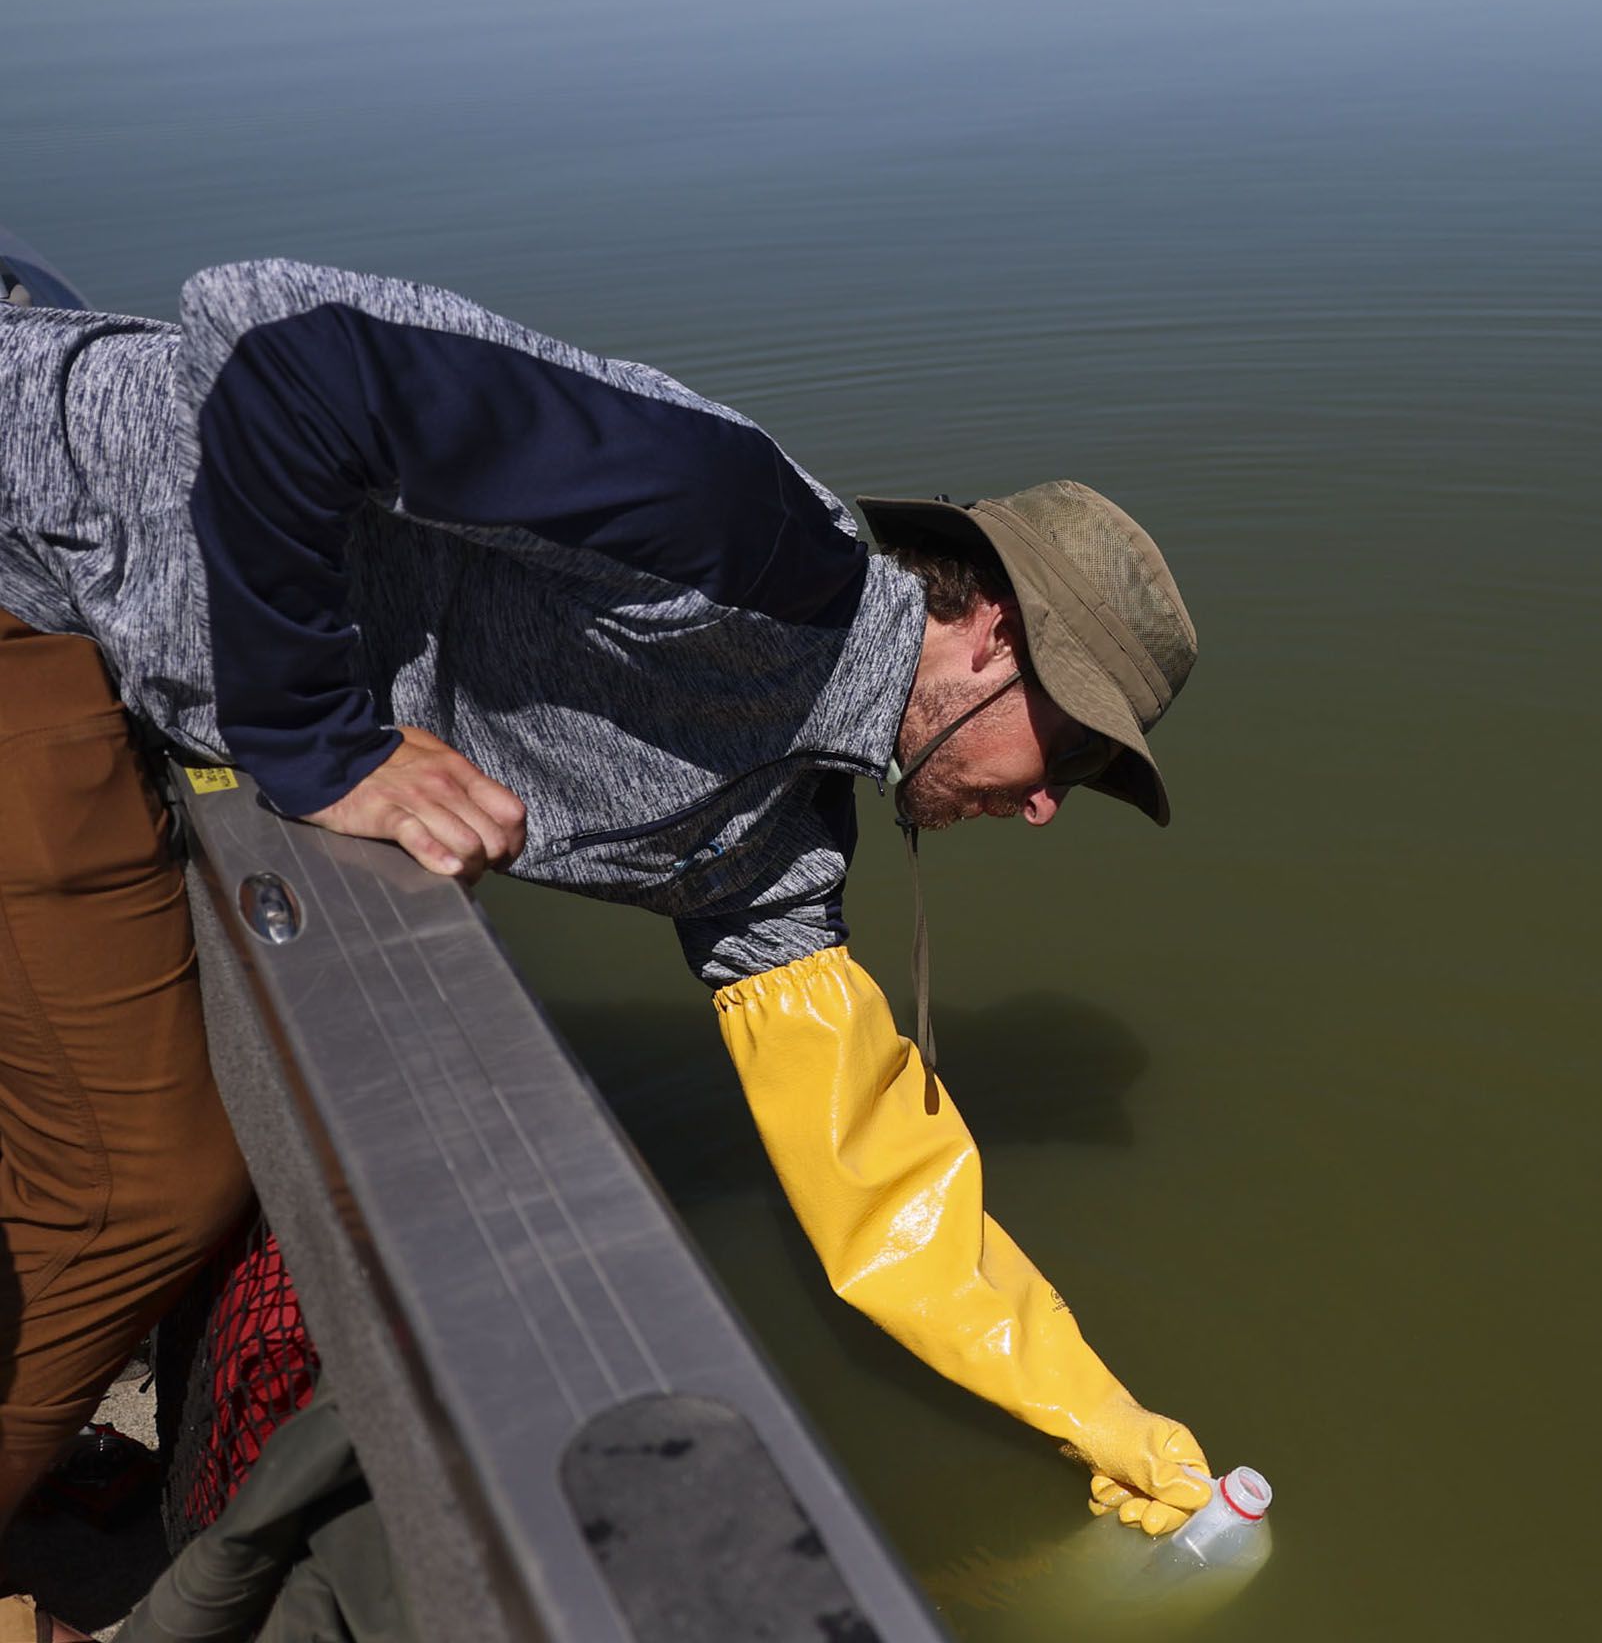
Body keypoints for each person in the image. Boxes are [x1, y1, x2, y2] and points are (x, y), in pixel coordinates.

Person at [0, 234, 1215, 1590]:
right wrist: (317, 740)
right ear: (994, 635)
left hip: (105, 669)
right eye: (1080, 753)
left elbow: (882, 1182)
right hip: (34, 550)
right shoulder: (745, 529)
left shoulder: (779, 848)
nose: (1053, 808)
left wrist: (1113, 1429)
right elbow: (275, 342)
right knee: (138, 1190)